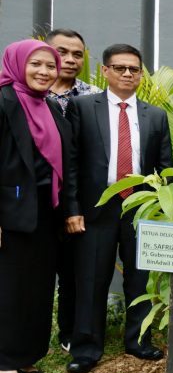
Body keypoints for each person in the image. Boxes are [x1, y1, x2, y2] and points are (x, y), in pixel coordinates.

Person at [64, 44, 172, 373]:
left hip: (140, 206)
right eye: (120, 68)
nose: (127, 74)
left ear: (141, 75)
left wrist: (163, 207)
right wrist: (72, 207)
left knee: (139, 278)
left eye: (134, 69)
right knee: (92, 278)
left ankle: (138, 340)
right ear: (106, 71)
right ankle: (85, 348)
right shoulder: (82, 107)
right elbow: (71, 161)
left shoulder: (155, 115)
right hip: (96, 207)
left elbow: (164, 167)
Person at [0, 40, 74, 373]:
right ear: (17, 64)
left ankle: (27, 353)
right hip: (10, 212)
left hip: (45, 210)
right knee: (11, 288)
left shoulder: (49, 108)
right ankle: (4, 363)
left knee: (38, 287)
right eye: (36, 64)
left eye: (50, 66)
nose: (44, 72)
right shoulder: (4, 102)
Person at [45, 28, 102, 353]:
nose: (69, 59)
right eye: (62, 52)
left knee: (72, 270)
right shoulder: (27, 94)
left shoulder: (91, 95)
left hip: (78, 200)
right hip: (38, 198)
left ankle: (68, 331)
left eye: (76, 54)